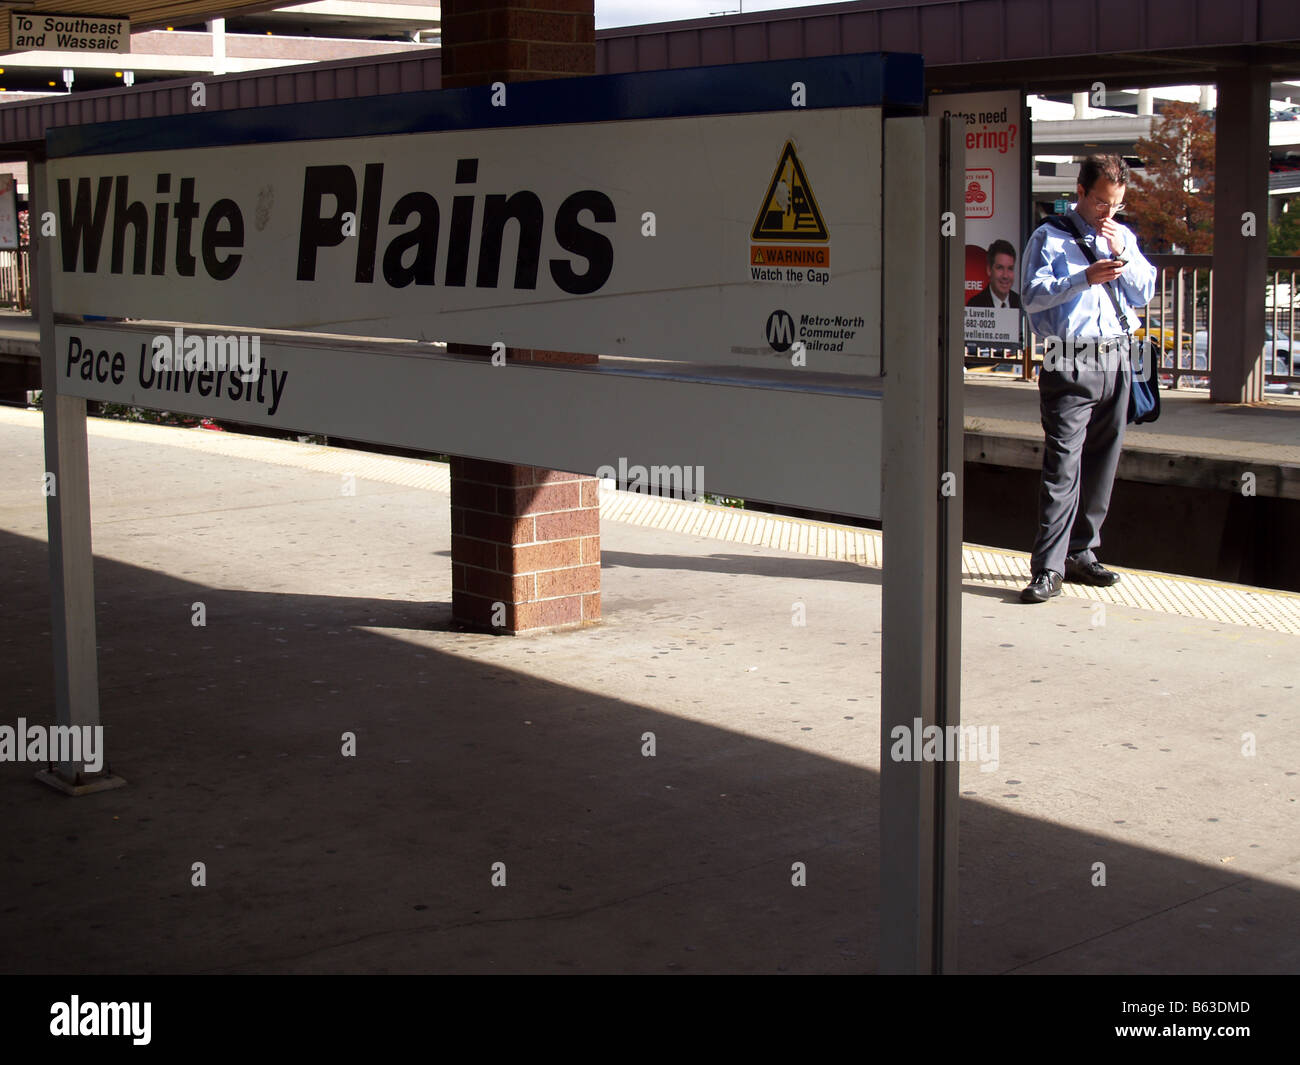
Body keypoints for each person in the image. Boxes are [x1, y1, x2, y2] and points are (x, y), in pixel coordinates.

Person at [1018, 155, 1157, 603]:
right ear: (1079, 191)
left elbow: (1143, 291)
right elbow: (1032, 296)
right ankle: (1049, 567)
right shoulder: (1049, 237)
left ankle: (1082, 552)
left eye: (1115, 204)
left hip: (1117, 356)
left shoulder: (1122, 235)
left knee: (1103, 461)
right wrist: (1083, 277)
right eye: (1100, 202)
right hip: (1068, 357)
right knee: (1063, 465)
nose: (1107, 213)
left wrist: (1122, 255)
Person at [966, 239, 1022, 308]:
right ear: (989, 270)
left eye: (1010, 268)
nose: (1005, 275)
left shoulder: (1022, 304)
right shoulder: (974, 305)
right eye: (1000, 268)